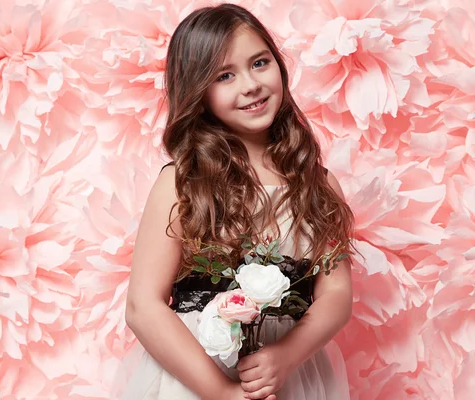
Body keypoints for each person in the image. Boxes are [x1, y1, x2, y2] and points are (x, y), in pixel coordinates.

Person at [115, 3, 355, 399]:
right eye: (225, 75)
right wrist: (222, 392)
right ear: (199, 92)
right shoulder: (182, 182)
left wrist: (287, 355)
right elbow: (143, 306)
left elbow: (336, 294)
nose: (250, 84)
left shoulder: (317, 183)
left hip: (287, 376)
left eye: (260, 63)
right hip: (197, 378)